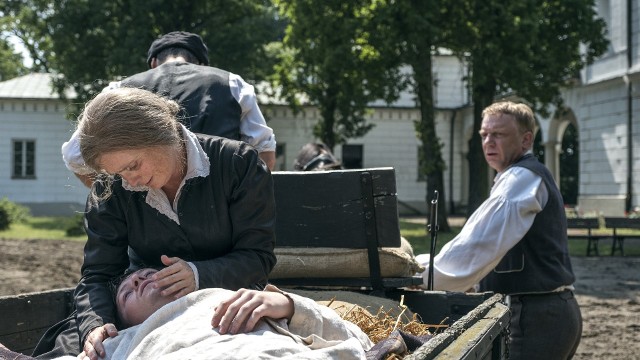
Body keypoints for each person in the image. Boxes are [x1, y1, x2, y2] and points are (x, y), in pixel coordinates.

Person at [33, 87, 277, 360]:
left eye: (133, 165)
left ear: (161, 134)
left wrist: (198, 274)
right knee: (77, 348)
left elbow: (257, 257)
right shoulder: (113, 186)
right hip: (140, 311)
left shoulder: (237, 164)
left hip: (221, 304)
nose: (130, 181)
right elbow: (97, 275)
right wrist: (97, 325)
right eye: (118, 172)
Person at [416, 101, 582, 359]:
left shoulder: (520, 180)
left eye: (499, 134)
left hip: (536, 317)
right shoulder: (517, 178)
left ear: (526, 140)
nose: (488, 142)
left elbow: (476, 245)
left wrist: (418, 274)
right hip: (544, 313)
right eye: (484, 135)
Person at [1, 268, 373, 360]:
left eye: (146, 273)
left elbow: (356, 337)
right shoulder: (126, 341)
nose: (139, 280)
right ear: (124, 319)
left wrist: (289, 305)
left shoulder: (226, 296)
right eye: (127, 291)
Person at [62, 31, 276, 188]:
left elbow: (74, 156)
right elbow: (264, 150)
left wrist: (118, 197)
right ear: (201, 63)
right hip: (220, 215)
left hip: (147, 223)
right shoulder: (231, 83)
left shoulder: (120, 90)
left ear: (153, 62)